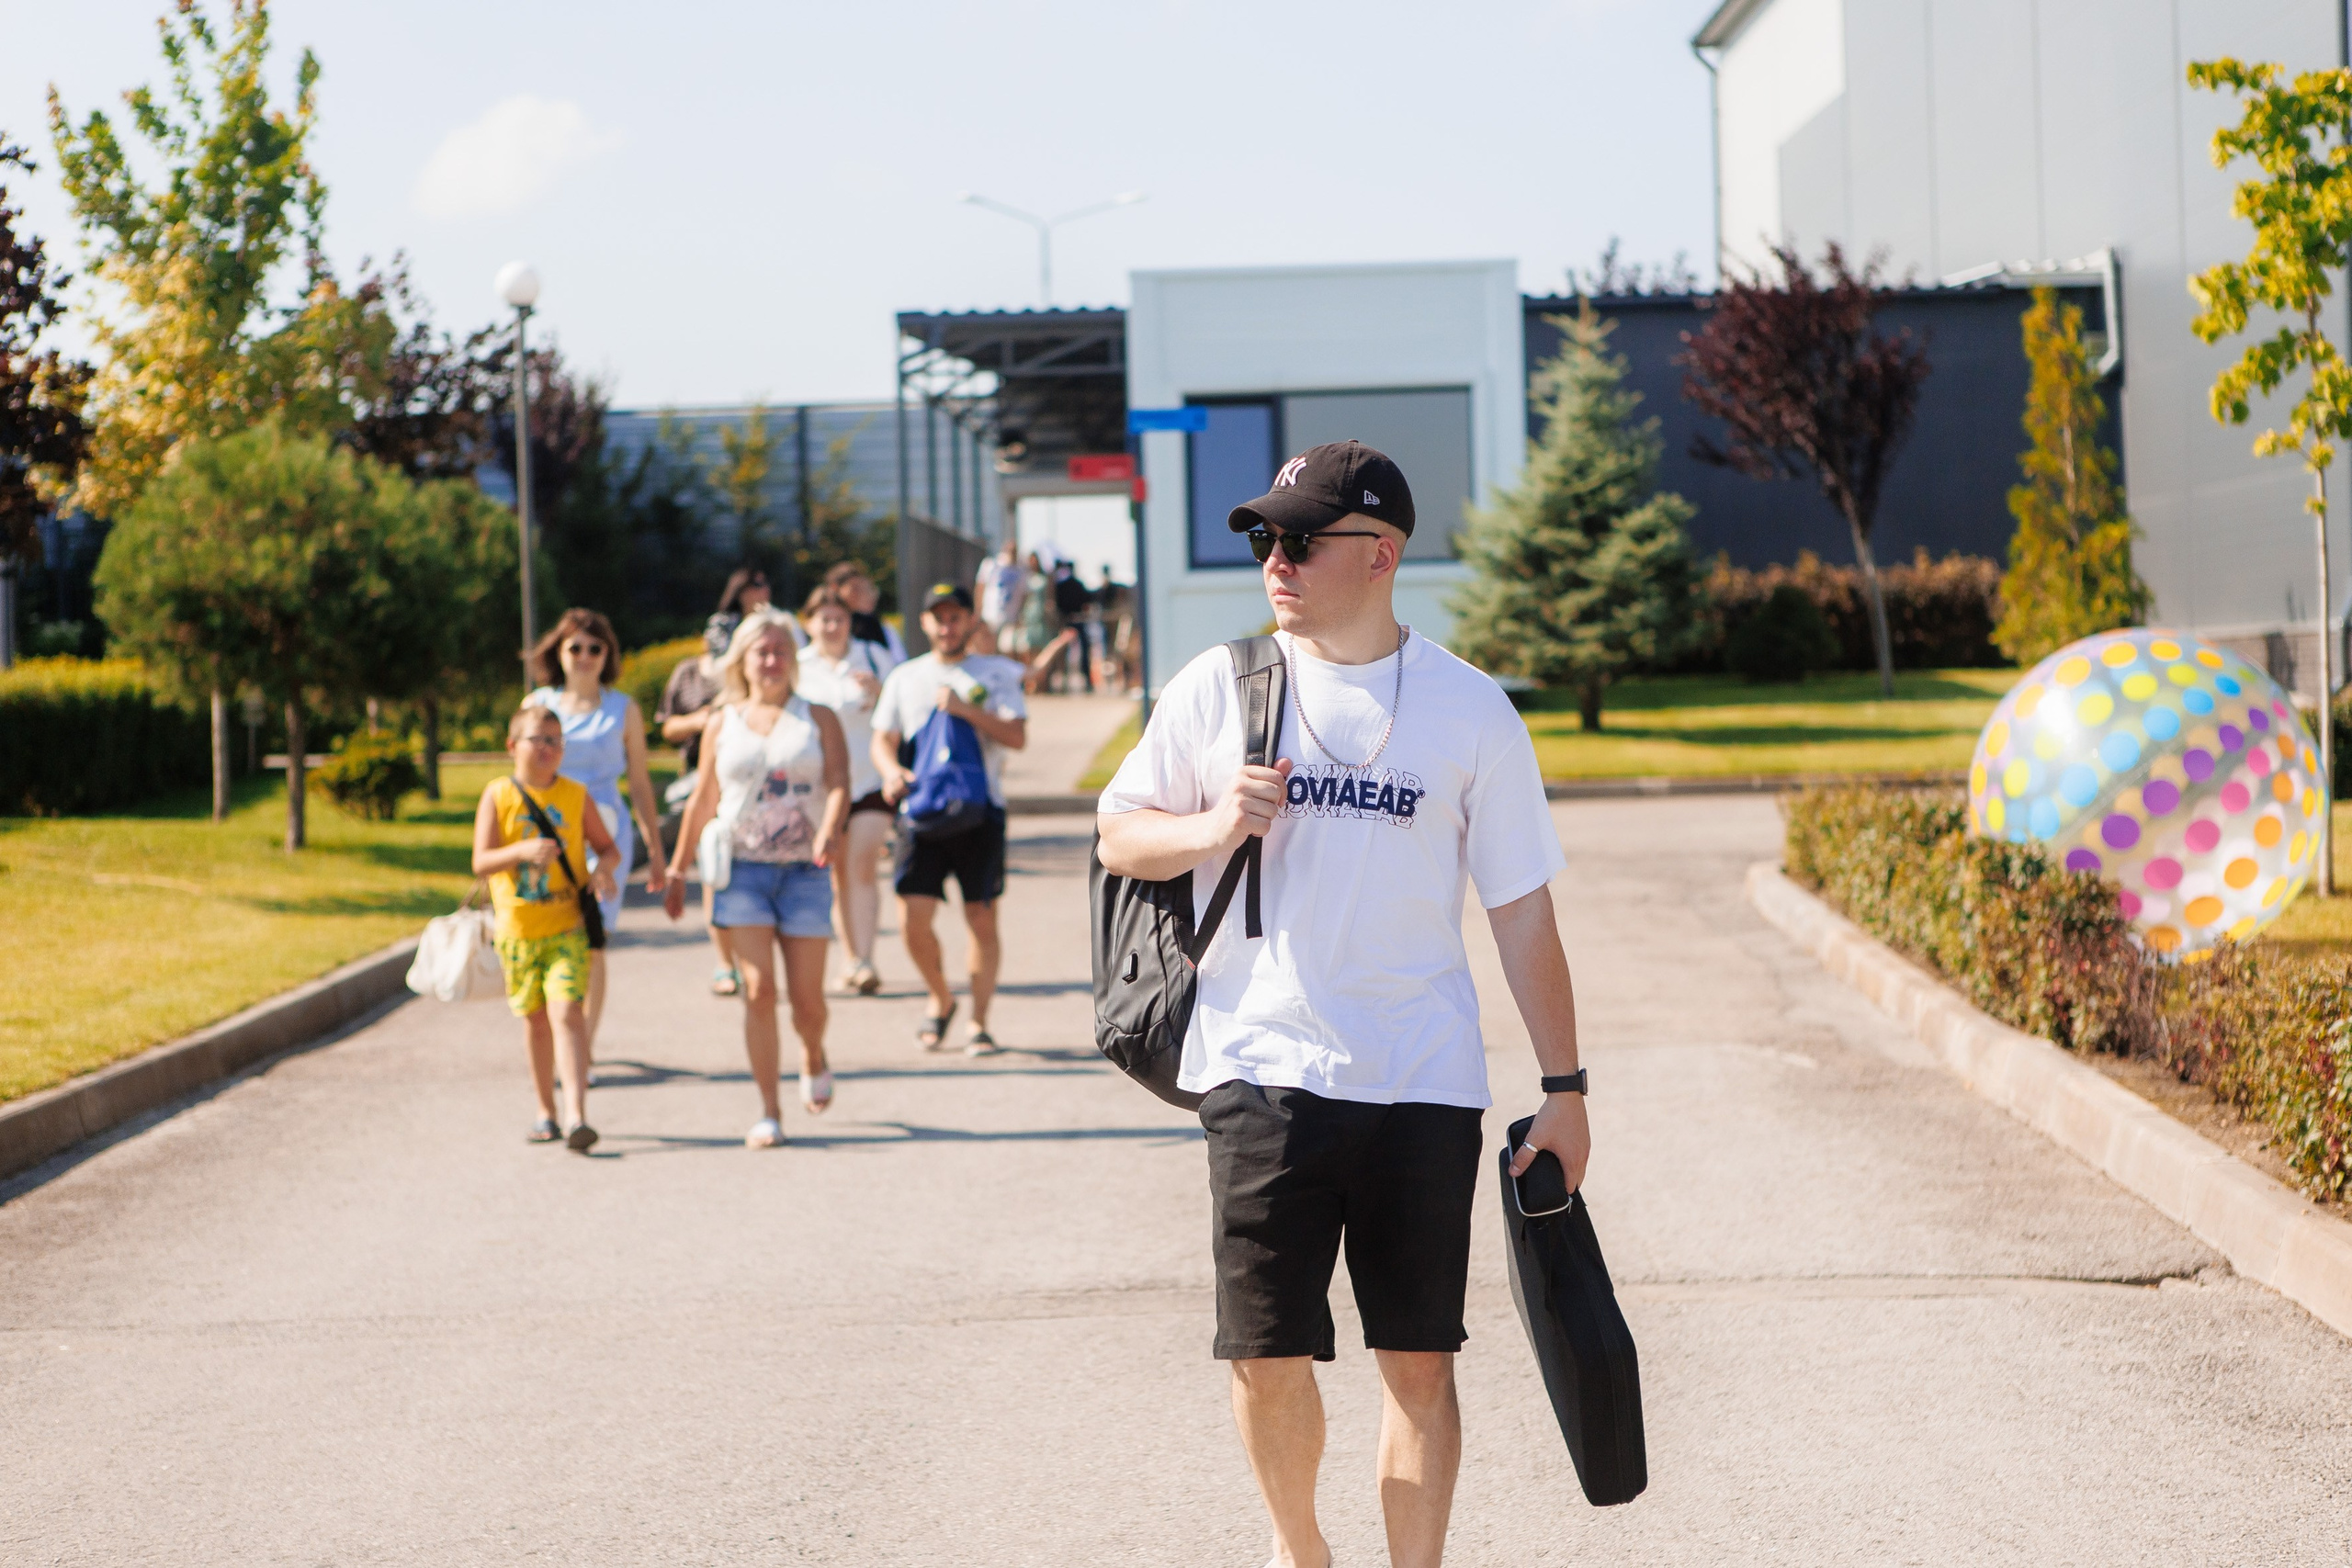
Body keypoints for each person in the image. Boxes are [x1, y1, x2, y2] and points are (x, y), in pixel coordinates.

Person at [1094, 440, 1588, 1568]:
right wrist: (1214, 827)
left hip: (1421, 1076)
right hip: (1262, 1066)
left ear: (1380, 553)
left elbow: (1520, 912)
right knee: (1264, 1353)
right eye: (1266, 537)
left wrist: (1564, 1089)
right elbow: (1120, 832)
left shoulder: (1469, 710)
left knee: (1417, 1361)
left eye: (1301, 538)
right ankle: (1299, 1547)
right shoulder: (1218, 686)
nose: (1276, 558)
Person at [664, 610, 853, 1145]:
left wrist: (830, 829)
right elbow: (704, 798)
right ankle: (769, 1110)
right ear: (742, 661)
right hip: (741, 871)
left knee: (808, 1001)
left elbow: (839, 782)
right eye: (760, 652)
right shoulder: (722, 723)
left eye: (779, 651)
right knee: (758, 990)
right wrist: (678, 869)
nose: (771, 661)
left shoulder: (818, 717)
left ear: (792, 659)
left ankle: (812, 1054)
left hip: (805, 872)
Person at [870, 582, 1028, 1055]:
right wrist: (890, 770)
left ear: (969, 621)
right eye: (938, 617)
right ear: (924, 623)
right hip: (919, 810)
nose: (947, 625)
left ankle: (978, 1021)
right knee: (912, 921)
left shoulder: (996, 673)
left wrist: (966, 710)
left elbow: (1017, 737)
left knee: (980, 917)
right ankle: (940, 999)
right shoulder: (905, 677)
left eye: (955, 616)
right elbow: (883, 739)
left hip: (982, 810)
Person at [472, 704, 618, 1153]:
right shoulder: (497, 795)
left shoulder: (575, 795)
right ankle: (545, 1111)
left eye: (557, 741)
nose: (549, 749)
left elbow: (607, 848)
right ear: (513, 745)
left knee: (567, 1015)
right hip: (517, 930)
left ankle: (577, 1116)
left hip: (566, 926)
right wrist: (521, 851)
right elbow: (480, 862)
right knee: (535, 1022)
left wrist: (603, 870)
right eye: (540, 739)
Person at [526, 610, 669, 1066]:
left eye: (595, 648)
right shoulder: (539, 704)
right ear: (559, 653)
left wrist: (657, 846)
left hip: (606, 830)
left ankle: (581, 1046)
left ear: (607, 655)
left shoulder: (623, 708)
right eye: (576, 648)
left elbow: (642, 782)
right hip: (549, 828)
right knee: (552, 929)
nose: (585, 657)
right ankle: (559, 1038)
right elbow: (521, 773)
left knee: (593, 934)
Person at [796, 585, 899, 996]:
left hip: (870, 780)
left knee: (862, 867)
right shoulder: (797, 667)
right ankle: (850, 958)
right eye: (824, 619)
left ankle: (866, 959)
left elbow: (900, 711)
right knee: (838, 876)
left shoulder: (873, 657)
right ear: (809, 623)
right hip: (823, 787)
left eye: (840, 618)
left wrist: (879, 694)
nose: (833, 626)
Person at [658, 615, 742, 996]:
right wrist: (701, 721)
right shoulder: (689, 673)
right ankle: (725, 962)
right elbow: (667, 726)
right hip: (703, 776)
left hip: (747, 781)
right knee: (715, 867)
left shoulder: (751, 672)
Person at [824, 560, 908, 663]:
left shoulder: (877, 626)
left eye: (866, 589)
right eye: (855, 589)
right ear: (835, 588)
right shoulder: (822, 625)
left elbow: (898, 661)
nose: (863, 595)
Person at [973, 535, 1027, 657]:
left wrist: (1020, 614)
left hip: (1010, 617)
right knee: (986, 648)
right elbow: (980, 587)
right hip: (990, 615)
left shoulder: (1021, 570)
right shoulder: (991, 564)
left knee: (1007, 649)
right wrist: (978, 610)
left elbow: (1024, 594)